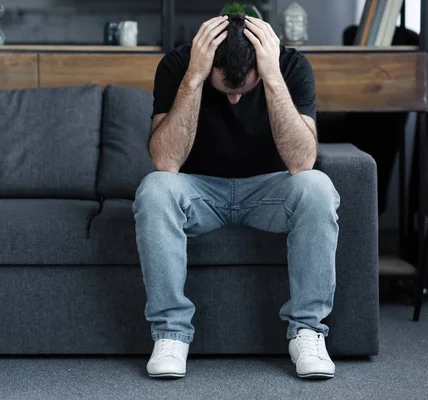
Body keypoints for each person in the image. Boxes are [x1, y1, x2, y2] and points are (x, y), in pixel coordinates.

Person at [132, 13, 339, 380]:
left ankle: (307, 331)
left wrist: (273, 77)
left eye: (243, 89)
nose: (234, 99)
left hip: (269, 191)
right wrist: (194, 78)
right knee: (154, 189)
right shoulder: (179, 65)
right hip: (200, 192)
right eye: (224, 89)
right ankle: (170, 335)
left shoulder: (289, 65)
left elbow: (302, 161)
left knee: (318, 186)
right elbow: (165, 160)